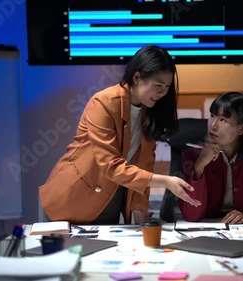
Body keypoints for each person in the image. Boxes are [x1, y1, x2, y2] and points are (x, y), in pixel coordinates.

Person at [39, 45, 200, 225]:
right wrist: (165, 181)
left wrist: (140, 212)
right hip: (72, 199)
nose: (163, 92)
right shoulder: (104, 103)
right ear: (137, 77)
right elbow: (110, 166)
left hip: (111, 199)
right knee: (66, 254)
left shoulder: (150, 112)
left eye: (167, 86)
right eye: (158, 85)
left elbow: (145, 163)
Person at [178, 92, 243, 223]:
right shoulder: (192, 155)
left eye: (223, 120)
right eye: (212, 116)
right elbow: (191, 215)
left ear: (241, 128)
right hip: (206, 232)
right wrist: (199, 167)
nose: (213, 125)